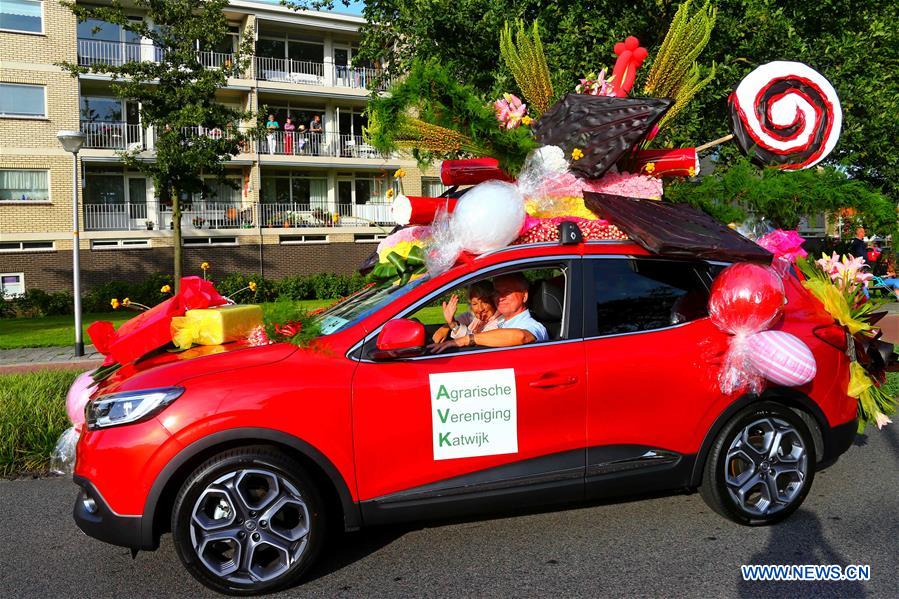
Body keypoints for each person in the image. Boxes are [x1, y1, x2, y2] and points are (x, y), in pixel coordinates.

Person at [432, 273, 548, 352]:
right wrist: (449, 325)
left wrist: (467, 339)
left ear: (524, 296)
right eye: (497, 292)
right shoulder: (504, 322)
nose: (500, 297)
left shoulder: (533, 325)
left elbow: (522, 337)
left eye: (507, 292)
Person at [431, 281, 501, 344]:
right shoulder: (475, 317)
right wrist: (445, 327)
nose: (480, 309)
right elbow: (465, 317)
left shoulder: (499, 322)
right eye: (474, 304)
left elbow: (472, 341)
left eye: (485, 302)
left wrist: (452, 324)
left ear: (493, 301)